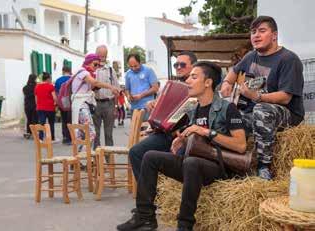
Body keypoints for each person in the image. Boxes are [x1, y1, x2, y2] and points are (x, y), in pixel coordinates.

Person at [117, 61, 247, 231]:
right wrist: (182, 138)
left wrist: (206, 132)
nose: (188, 81)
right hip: (190, 163)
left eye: (194, 77)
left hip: (217, 165)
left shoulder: (227, 108)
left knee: (191, 162)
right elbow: (172, 128)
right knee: (149, 156)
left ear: (208, 83)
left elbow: (241, 145)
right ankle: (145, 216)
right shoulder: (192, 108)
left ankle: (184, 225)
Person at [220, 16, 304, 180]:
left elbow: (285, 97)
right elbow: (234, 72)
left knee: (262, 109)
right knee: (227, 116)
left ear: (274, 35)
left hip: (287, 114)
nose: (256, 35)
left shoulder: (288, 59)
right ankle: (232, 166)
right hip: (254, 111)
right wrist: (226, 83)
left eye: (262, 31)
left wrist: (256, 96)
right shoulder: (251, 56)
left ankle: (263, 167)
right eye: (253, 32)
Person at [129, 51, 197, 181]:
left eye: (182, 65)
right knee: (136, 152)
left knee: (140, 153)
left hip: (181, 136)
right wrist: (152, 104)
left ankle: (151, 193)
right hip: (164, 132)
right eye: (176, 65)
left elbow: (194, 110)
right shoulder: (171, 84)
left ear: (194, 66)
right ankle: (150, 193)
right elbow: (160, 104)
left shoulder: (197, 87)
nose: (178, 67)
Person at [71, 53, 119, 143]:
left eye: (98, 65)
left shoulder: (85, 73)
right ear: (88, 62)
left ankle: (85, 154)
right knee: (91, 133)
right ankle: (87, 154)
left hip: (83, 105)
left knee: (83, 133)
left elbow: (91, 87)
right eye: (95, 64)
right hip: (81, 105)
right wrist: (111, 87)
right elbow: (95, 83)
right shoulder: (83, 72)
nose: (97, 67)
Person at [92, 45, 120, 149]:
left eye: (103, 56)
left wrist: (116, 107)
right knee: (95, 134)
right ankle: (97, 161)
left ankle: (109, 162)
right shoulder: (92, 70)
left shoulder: (110, 70)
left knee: (108, 134)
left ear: (106, 56)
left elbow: (116, 90)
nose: (101, 58)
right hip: (95, 103)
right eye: (99, 56)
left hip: (109, 103)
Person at [124, 53, 159, 121]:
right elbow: (127, 89)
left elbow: (155, 88)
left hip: (147, 108)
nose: (133, 68)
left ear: (140, 62)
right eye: (131, 66)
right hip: (134, 109)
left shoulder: (148, 71)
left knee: (146, 130)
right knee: (135, 131)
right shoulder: (128, 74)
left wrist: (141, 95)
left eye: (135, 66)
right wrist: (128, 96)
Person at [34, 72, 57, 141]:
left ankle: (41, 138)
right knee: (51, 123)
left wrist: (37, 106)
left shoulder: (37, 86)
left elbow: (36, 98)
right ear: (48, 79)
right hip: (50, 108)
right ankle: (52, 138)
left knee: (42, 123)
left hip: (40, 108)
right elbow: (54, 97)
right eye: (50, 79)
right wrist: (56, 103)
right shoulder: (51, 86)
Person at [55, 66, 72, 145]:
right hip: (71, 100)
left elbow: (56, 93)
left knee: (64, 119)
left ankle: (65, 137)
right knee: (71, 119)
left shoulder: (58, 80)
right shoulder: (72, 79)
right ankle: (71, 137)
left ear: (63, 71)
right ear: (70, 71)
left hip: (62, 101)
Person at [22, 74, 38, 139]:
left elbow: (26, 95)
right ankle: (35, 133)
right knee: (35, 119)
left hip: (27, 106)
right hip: (35, 105)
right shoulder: (37, 87)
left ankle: (29, 132)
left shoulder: (25, 87)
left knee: (29, 119)